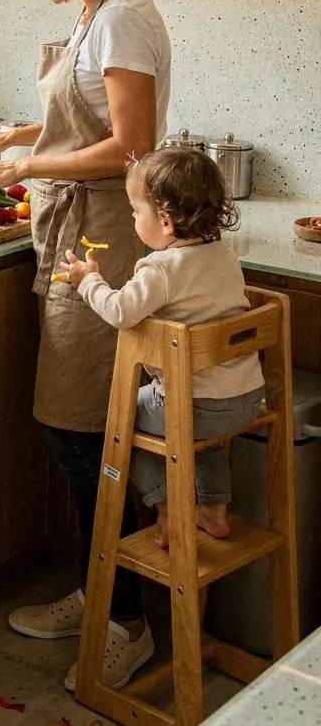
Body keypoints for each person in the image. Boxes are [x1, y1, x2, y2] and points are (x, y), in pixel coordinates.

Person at [0, 0, 171, 692]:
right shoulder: (94, 11)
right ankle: (98, 591)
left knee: (84, 433)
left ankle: (127, 621)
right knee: (78, 429)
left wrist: (25, 165)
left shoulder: (123, 18)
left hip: (104, 239)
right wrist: (9, 136)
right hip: (77, 233)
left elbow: (129, 146)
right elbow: (82, 117)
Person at [61, 147, 264, 549]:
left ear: (166, 222)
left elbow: (120, 311)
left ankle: (168, 509)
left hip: (194, 407)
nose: (133, 218)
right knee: (197, 433)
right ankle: (213, 509)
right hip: (246, 400)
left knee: (120, 418)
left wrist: (88, 280)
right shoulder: (225, 256)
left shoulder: (160, 269)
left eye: (136, 211)